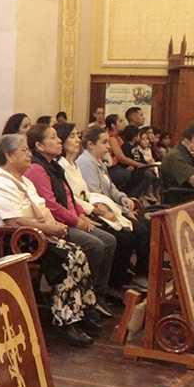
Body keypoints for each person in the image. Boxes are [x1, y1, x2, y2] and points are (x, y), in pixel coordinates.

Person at [0, 134, 102, 345]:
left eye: (29, 150)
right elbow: (14, 222)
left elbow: (41, 209)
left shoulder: (24, 179)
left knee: (78, 253)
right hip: (10, 242)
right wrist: (48, 229)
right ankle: (63, 321)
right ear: (9, 155)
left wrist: (54, 226)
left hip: (31, 236)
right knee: (66, 258)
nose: (29, 154)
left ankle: (79, 312)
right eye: (24, 150)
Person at [23, 124, 117, 311]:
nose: (59, 141)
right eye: (53, 137)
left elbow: (70, 196)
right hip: (55, 225)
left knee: (109, 239)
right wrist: (76, 221)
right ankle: (83, 298)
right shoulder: (37, 169)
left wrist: (81, 214)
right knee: (95, 244)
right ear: (39, 146)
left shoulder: (53, 166)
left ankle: (97, 293)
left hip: (69, 218)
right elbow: (51, 205)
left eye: (58, 137)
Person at [56, 122, 150, 294]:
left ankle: (120, 280)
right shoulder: (82, 163)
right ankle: (104, 286)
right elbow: (86, 196)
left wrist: (123, 199)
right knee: (123, 237)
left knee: (141, 228)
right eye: (104, 142)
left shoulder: (83, 164)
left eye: (78, 135)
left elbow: (108, 188)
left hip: (93, 209)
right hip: (87, 212)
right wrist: (113, 211)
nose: (109, 146)